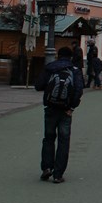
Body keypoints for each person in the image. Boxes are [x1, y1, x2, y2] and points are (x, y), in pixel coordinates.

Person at [34, 46, 84, 184]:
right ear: (71, 57)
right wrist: (72, 107)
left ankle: (46, 168)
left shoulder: (50, 68)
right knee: (64, 141)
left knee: (48, 138)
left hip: (50, 108)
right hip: (66, 110)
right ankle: (58, 174)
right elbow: (79, 90)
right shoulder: (74, 70)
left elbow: (38, 86)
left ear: (58, 55)